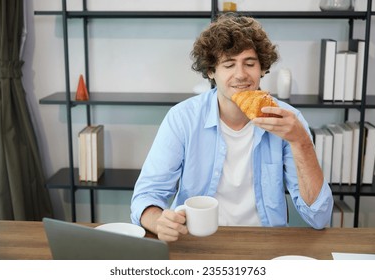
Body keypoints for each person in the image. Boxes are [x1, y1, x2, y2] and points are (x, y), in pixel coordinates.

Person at [130, 13, 333, 242]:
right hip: (196, 242)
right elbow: (146, 196)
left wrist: (301, 141)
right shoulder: (182, 118)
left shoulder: (288, 120)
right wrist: (159, 221)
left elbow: (319, 217)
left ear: (262, 68)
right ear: (211, 71)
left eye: (250, 63)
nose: (241, 74)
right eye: (228, 64)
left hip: (265, 243)